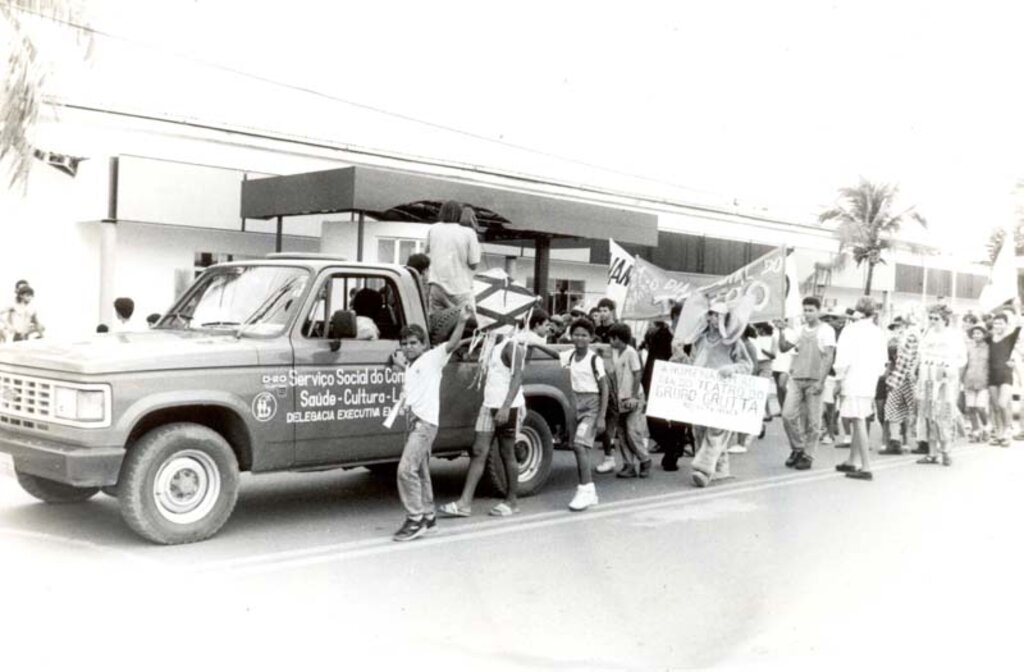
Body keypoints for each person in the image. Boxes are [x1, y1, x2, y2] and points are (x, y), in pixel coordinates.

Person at [439, 309, 557, 518]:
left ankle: (511, 502)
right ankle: (465, 503)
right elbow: (465, 345)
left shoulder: (511, 347)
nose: (489, 327)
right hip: (488, 405)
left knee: (507, 452)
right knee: (478, 450)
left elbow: (517, 378)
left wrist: (505, 407)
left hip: (507, 407)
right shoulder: (489, 344)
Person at [390, 305, 472, 542]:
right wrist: (400, 366)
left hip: (425, 425)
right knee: (421, 472)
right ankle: (429, 517)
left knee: (405, 471)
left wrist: (462, 321)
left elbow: (452, 343)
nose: (408, 347)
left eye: (413, 343)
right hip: (415, 423)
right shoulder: (411, 365)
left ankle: (415, 520)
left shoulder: (432, 358)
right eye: (404, 343)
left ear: (424, 345)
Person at [673, 294, 755, 487]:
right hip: (702, 391)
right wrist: (679, 356)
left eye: (715, 315)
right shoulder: (700, 339)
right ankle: (721, 468)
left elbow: (747, 365)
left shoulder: (733, 341)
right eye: (709, 315)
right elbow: (694, 363)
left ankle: (703, 469)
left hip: (724, 392)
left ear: (723, 318)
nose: (711, 319)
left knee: (716, 430)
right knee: (699, 429)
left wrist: (732, 369)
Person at [833, 297, 888, 480]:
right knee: (860, 418)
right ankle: (852, 460)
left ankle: (865, 466)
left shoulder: (850, 330)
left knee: (857, 421)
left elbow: (843, 359)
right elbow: (882, 363)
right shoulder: (878, 332)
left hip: (853, 379)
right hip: (869, 380)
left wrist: (839, 379)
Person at [779, 297, 836, 470]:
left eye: (811, 310)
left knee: (813, 422)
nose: (808, 313)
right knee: (787, 415)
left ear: (818, 311)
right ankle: (797, 448)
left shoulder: (826, 330)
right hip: (797, 378)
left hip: (814, 380)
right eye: (805, 310)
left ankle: (808, 455)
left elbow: (828, 356)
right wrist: (781, 331)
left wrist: (821, 381)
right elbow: (783, 348)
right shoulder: (799, 329)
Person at [559, 317, 608, 511]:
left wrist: (601, 415)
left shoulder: (595, 359)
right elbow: (549, 353)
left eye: (584, 335)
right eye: (576, 334)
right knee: (577, 447)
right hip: (574, 404)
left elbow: (604, 389)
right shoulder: (569, 356)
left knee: (580, 446)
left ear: (591, 338)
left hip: (592, 406)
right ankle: (590, 492)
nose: (579, 338)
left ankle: (585, 490)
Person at [916, 304, 967, 466]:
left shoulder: (954, 336)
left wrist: (948, 371)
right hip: (927, 378)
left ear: (945, 320)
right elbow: (921, 354)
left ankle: (946, 451)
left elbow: (961, 359)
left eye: (936, 318)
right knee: (929, 415)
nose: (932, 321)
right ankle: (932, 453)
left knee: (943, 415)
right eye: (930, 318)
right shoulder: (927, 333)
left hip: (945, 380)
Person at [607, 322, 652, 478]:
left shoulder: (631, 352)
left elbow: (638, 373)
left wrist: (633, 396)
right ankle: (629, 465)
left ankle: (645, 459)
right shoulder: (613, 352)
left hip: (634, 396)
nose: (611, 341)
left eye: (614, 338)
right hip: (620, 397)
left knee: (632, 430)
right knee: (621, 433)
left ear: (620, 339)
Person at [424, 200, 482, 314]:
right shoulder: (469, 233)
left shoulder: (433, 229)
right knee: (464, 325)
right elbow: (473, 264)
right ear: (460, 214)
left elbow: (426, 252)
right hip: (460, 289)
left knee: (437, 324)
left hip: (437, 287)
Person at [884, 314, 922, 454]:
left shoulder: (911, 336)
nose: (897, 328)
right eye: (896, 326)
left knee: (917, 410)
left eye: (900, 325)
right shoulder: (897, 339)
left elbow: (913, 357)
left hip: (908, 377)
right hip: (899, 377)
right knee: (893, 407)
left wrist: (910, 373)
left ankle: (924, 442)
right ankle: (895, 442)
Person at [987, 306, 1021, 446]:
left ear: (1006, 324)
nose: (997, 326)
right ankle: (999, 433)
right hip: (992, 376)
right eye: (995, 323)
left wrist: (1017, 308)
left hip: (1006, 374)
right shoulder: (989, 338)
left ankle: (1008, 431)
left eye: (1000, 323)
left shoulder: (1010, 338)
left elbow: (1019, 324)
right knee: (995, 406)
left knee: (1002, 404)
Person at [963, 325, 991, 442]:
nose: (976, 335)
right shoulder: (969, 348)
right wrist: (961, 379)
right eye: (974, 333)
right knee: (970, 408)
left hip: (983, 382)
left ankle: (986, 427)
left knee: (980, 407)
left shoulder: (989, 348)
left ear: (984, 334)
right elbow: (965, 364)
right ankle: (975, 432)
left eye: (978, 333)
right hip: (969, 380)